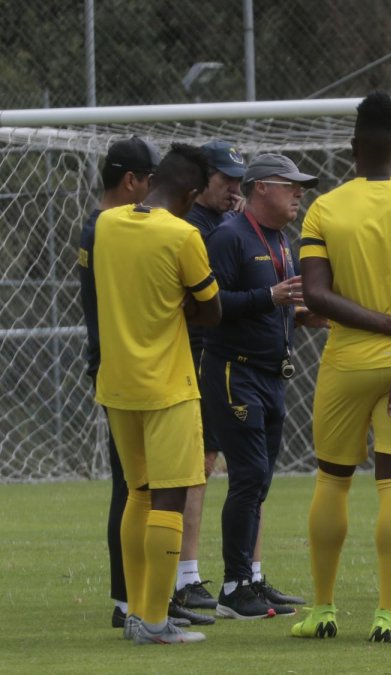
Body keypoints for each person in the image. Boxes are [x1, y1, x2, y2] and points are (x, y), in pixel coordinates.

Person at [291, 92, 391, 643]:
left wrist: (381, 325)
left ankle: (321, 610)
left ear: (353, 147)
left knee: (332, 482)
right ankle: (389, 614)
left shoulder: (325, 208)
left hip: (346, 363)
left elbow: (315, 295)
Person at [92, 143, 222, 644]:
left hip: (117, 384)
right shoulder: (184, 234)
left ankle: (135, 613)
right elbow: (210, 309)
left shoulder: (105, 225)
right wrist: (180, 302)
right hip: (167, 386)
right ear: (190, 194)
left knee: (138, 494)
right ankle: (154, 622)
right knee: (169, 499)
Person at [201, 154, 324, 620]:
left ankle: (251, 579)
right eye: (290, 185)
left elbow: (280, 304)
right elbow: (212, 305)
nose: (299, 193)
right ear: (260, 189)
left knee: (261, 480)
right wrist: (268, 297)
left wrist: (310, 316)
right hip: (236, 371)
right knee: (249, 476)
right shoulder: (229, 237)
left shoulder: (279, 239)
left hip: (272, 374)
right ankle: (233, 588)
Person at [78, 136, 163, 630]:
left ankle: (135, 591)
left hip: (113, 363)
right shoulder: (107, 228)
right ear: (131, 181)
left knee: (134, 485)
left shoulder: (97, 226)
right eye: (151, 180)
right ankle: (127, 596)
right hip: (122, 367)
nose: (154, 190)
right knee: (134, 486)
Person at [173, 139, 247, 619]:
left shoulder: (224, 224)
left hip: (222, 359)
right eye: (225, 181)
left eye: (238, 181)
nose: (233, 189)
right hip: (196, 358)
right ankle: (185, 576)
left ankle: (241, 577)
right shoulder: (190, 228)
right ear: (201, 184)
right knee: (195, 466)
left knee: (223, 462)